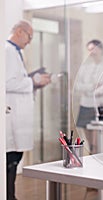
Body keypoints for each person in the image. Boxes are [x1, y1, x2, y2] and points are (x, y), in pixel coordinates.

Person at [6, 20, 51, 200]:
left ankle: (10, 195)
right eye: (29, 36)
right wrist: (33, 81)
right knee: (11, 161)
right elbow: (7, 83)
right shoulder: (7, 51)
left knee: (14, 160)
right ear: (19, 32)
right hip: (11, 116)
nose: (30, 41)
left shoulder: (15, 53)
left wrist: (33, 82)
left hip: (17, 115)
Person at [75, 39, 103, 154]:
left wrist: (93, 90)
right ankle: (92, 157)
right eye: (89, 50)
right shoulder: (85, 68)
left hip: (100, 106)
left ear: (101, 49)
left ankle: (97, 160)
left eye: (93, 49)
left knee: (97, 139)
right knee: (88, 140)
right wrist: (92, 86)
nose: (91, 52)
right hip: (85, 105)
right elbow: (78, 86)